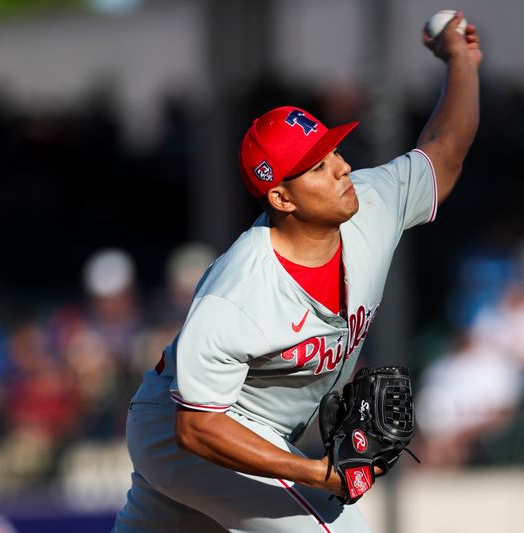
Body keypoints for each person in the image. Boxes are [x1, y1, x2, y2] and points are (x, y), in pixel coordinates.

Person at [114, 12, 481, 533]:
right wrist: (316, 472)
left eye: (333, 151)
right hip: (193, 431)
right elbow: (196, 428)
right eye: (316, 166)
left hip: (232, 430)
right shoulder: (240, 291)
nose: (342, 168)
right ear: (281, 196)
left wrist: (461, 63)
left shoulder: (371, 204)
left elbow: (444, 154)